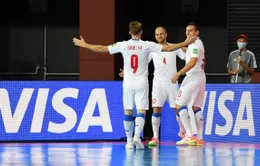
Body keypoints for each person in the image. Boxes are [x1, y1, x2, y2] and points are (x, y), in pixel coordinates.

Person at [73, 21, 196, 149]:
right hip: (142, 82)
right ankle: (137, 136)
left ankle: (129, 141)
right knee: (141, 111)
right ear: (141, 32)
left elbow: (102, 48)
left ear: (130, 32)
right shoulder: (147, 45)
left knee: (128, 110)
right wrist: (185, 43)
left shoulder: (123, 45)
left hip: (128, 82)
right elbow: (169, 48)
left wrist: (85, 45)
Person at [119, 26, 187, 147]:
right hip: (158, 83)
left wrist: (188, 47)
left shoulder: (174, 47)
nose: (159, 36)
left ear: (166, 34)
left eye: (161, 34)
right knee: (156, 109)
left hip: (172, 83)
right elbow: (140, 62)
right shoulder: (152, 49)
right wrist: (127, 72)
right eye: (157, 35)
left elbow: (186, 58)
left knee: (177, 108)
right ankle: (155, 137)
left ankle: (184, 131)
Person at [172, 22, 205, 146]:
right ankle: (200, 138)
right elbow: (189, 51)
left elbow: (192, 62)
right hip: (200, 77)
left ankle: (189, 135)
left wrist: (178, 74)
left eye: (191, 30)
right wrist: (178, 46)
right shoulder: (194, 45)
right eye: (186, 30)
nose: (188, 33)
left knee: (178, 105)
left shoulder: (196, 44)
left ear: (197, 32)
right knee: (196, 107)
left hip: (192, 77)